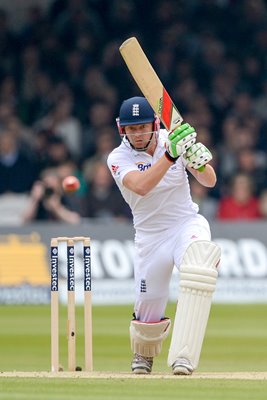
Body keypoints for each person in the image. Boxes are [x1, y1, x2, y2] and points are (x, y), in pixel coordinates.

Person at [107, 97, 221, 375]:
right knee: (150, 303)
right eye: (131, 129)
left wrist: (195, 157)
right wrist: (171, 155)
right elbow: (141, 187)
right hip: (150, 236)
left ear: (154, 124)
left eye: (142, 127)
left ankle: (184, 355)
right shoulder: (117, 157)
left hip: (185, 223)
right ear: (122, 129)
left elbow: (210, 181)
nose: (137, 134)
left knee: (199, 266)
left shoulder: (174, 139)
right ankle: (144, 354)